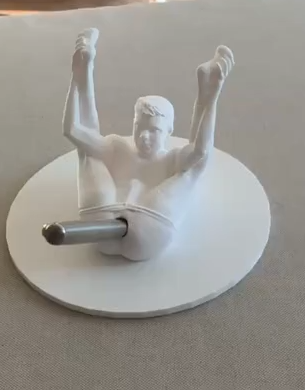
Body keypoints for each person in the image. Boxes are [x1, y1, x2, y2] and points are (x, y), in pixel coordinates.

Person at [62, 28, 234, 261]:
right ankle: (86, 65)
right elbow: (72, 130)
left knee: (191, 170)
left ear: (169, 131)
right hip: (99, 218)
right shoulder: (117, 149)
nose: (144, 136)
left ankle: (205, 91)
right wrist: (78, 75)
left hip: (151, 224)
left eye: (154, 131)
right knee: (88, 151)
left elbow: (200, 151)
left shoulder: (172, 160)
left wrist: (211, 98)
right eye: (139, 127)